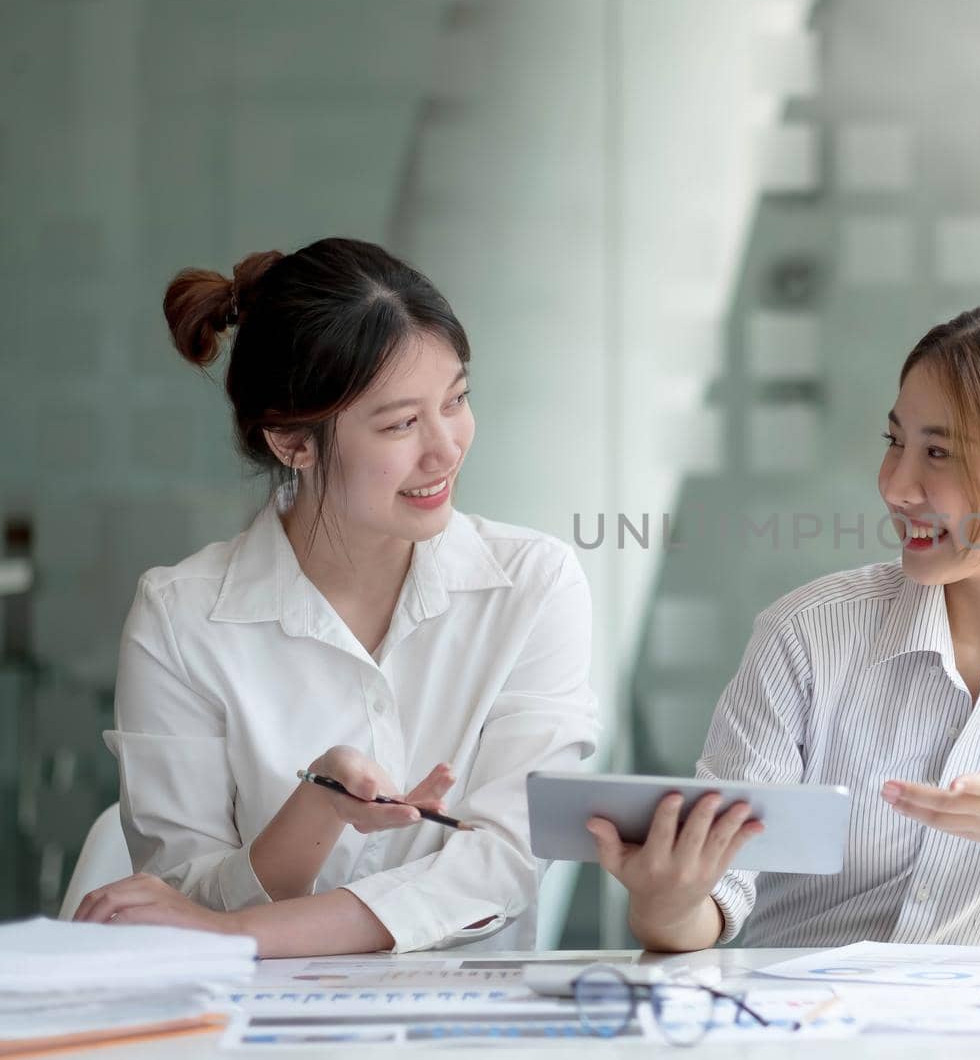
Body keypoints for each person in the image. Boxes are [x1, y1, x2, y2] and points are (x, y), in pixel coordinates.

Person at [591, 304, 980, 950]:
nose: (895, 485)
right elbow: (714, 899)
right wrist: (667, 905)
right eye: (896, 443)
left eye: (939, 451)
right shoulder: (807, 636)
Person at [72, 238, 599, 957]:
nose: (446, 447)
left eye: (457, 400)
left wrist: (236, 933)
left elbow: (503, 865)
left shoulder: (533, 586)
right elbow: (180, 903)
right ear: (293, 440)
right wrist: (314, 809)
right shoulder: (180, 618)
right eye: (402, 423)